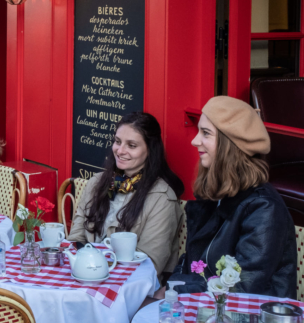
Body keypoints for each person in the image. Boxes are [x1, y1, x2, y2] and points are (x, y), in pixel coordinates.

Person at [167, 96, 296, 298]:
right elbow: (193, 261)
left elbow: (242, 288)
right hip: (206, 306)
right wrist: (171, 285)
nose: (194, 140)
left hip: (253, 320)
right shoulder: (217, 192)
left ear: (230, 145)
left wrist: (174, 290)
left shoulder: (264, 208)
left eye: (206, 133)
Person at [68, 112, 185, 278]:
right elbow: (76, 239)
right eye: (117, 142)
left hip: (130, 287)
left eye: (131, 145)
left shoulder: (162, 197)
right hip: (86, 274)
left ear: (150, 149)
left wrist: (97, 269)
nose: (120, 151)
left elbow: (150, 264)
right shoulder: (97, 183)